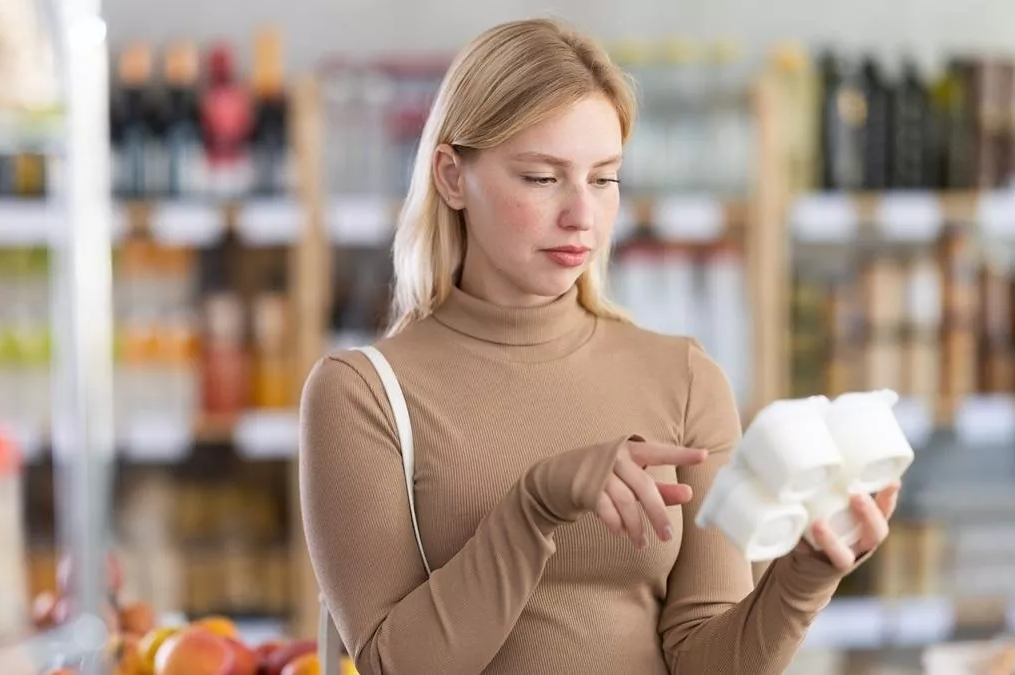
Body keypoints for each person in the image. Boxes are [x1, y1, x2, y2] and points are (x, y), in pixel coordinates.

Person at [299, 17, 901, 675]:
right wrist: (534, 505)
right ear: (450, 176)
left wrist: (805, 575)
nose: (582, 215)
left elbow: (703, 659)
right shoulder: (360, 393)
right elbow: (394, 666)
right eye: (541, 177)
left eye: (604, 178)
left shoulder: (686, 377)